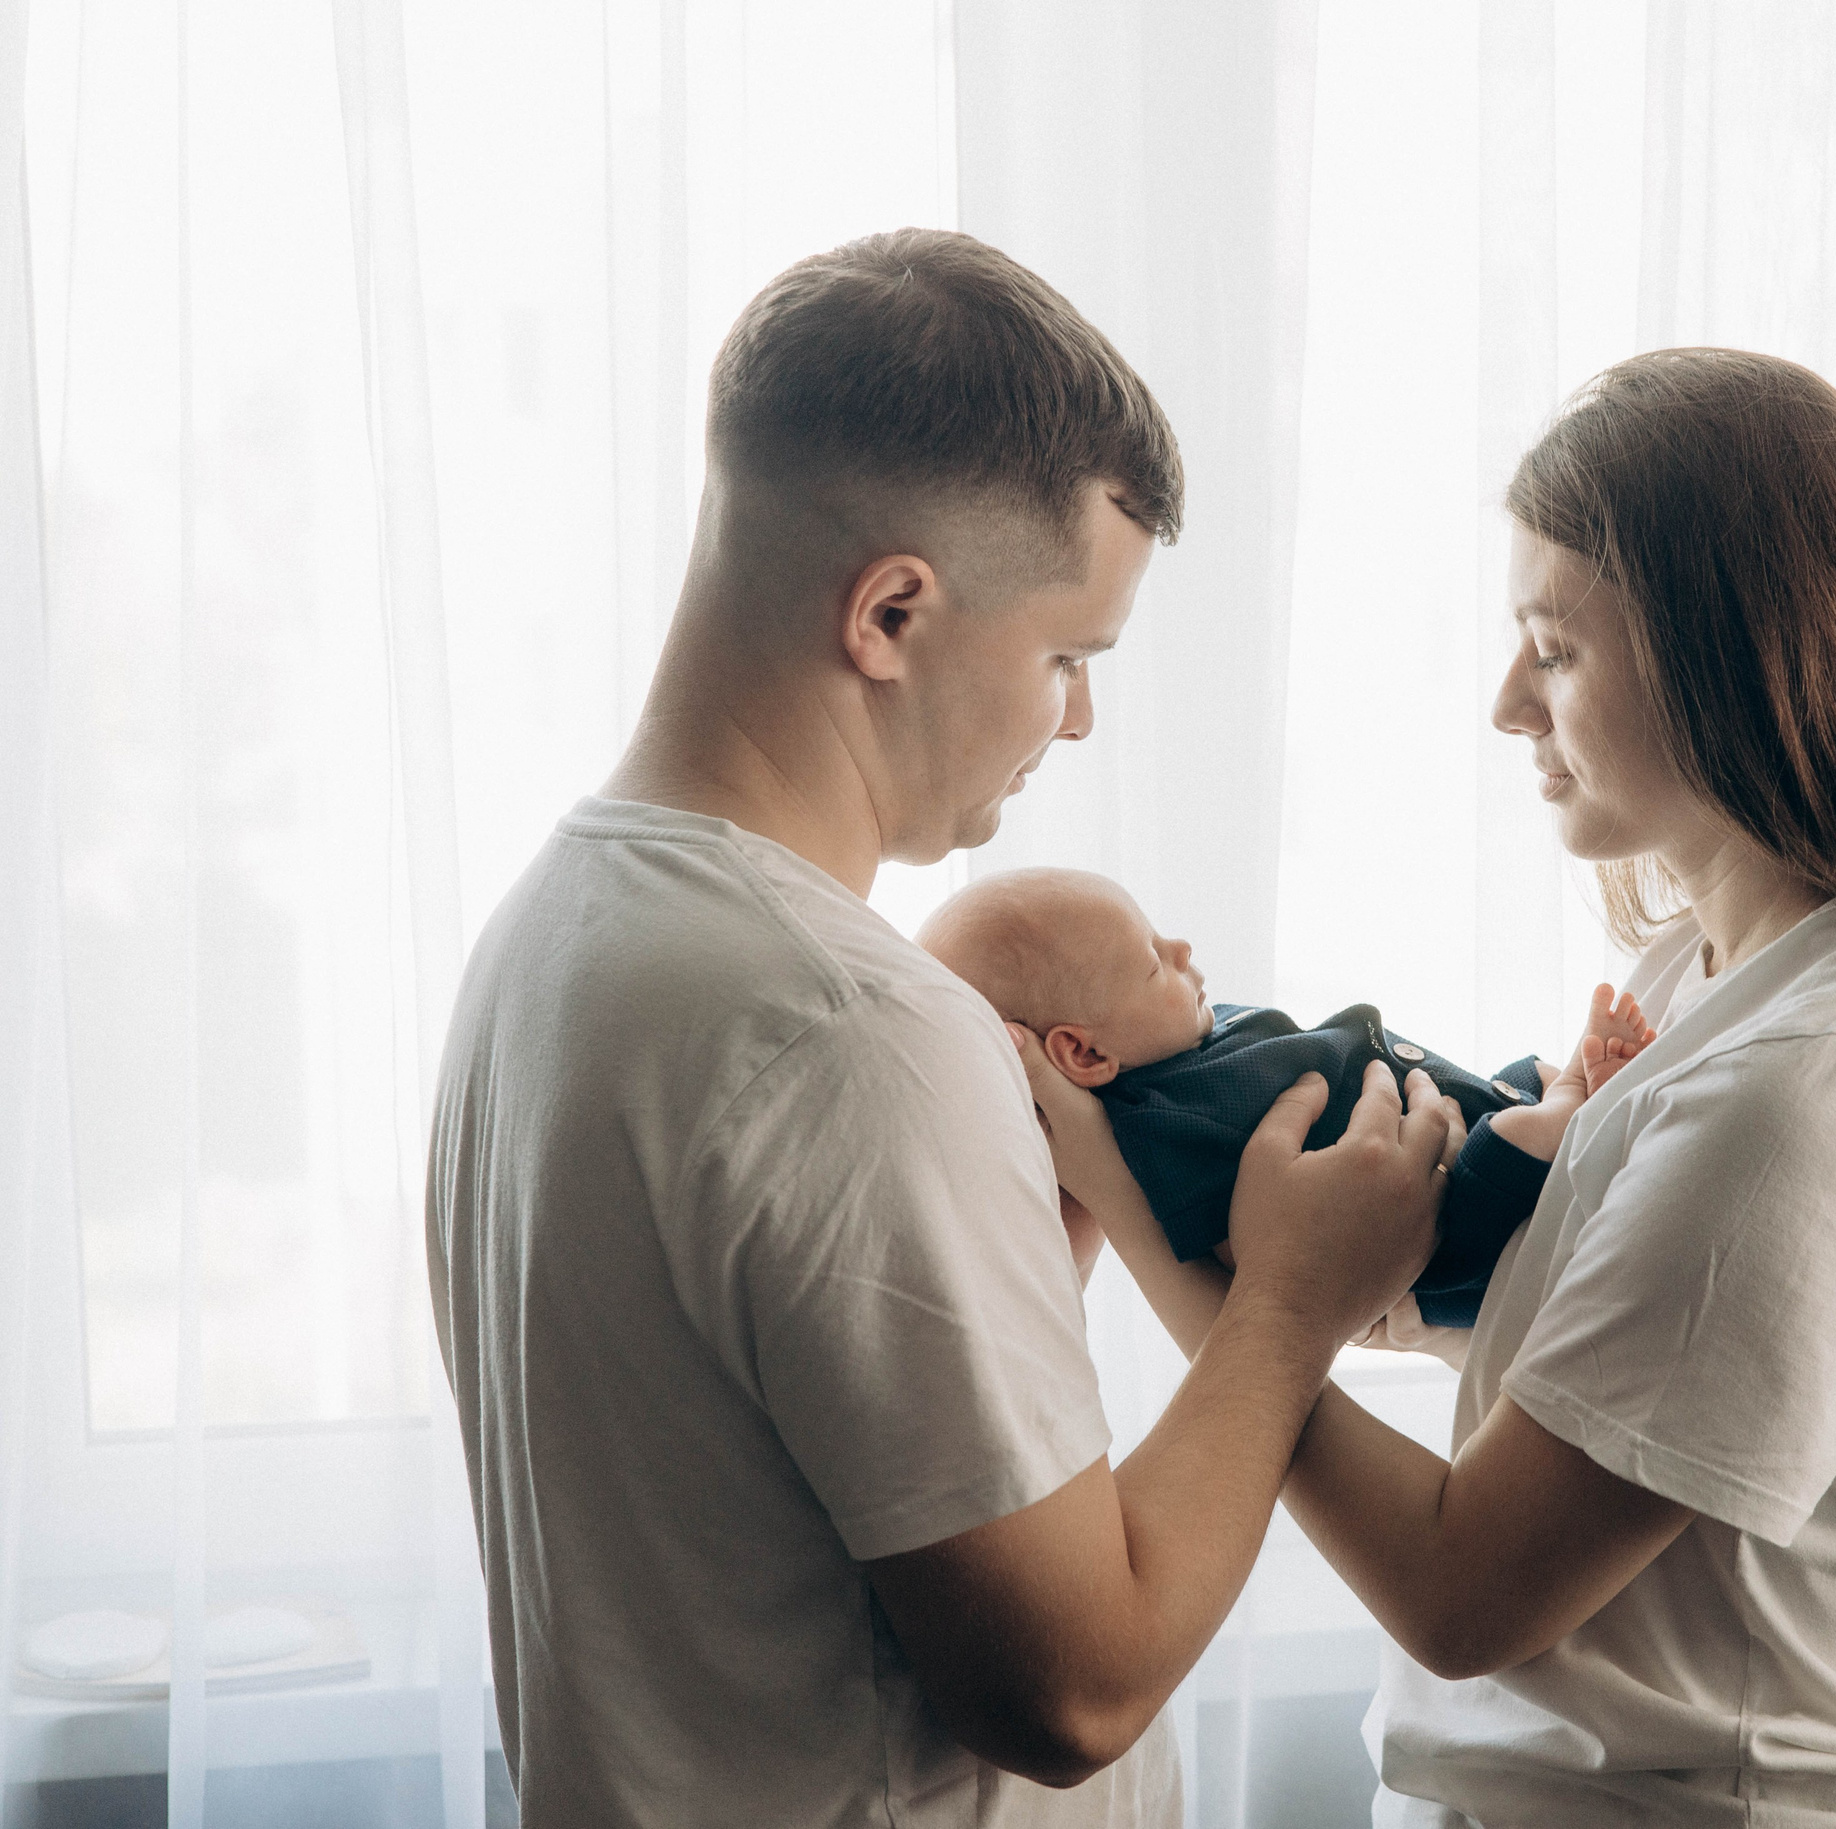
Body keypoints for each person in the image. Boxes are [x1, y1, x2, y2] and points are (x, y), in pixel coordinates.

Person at [425, 229, 1464, 1828]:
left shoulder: (556, 931)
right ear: (893, 614)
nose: (1082, 717)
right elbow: (1072, 1687)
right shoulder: (847, 1030)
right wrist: (1291, 1307)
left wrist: (1050, 1206)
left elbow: (806, 1454)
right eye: (1066, 656)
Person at [1024, 348, 1836, 1826]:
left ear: (1736, 655)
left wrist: (1228, 1285)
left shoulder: (1818, 1106)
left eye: (1556, 645)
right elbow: (1601, 1361)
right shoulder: (1699, 985)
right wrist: (1372, 1260)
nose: (1507, 704)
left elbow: (1466, 1595)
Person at [917, 866, 1655, 1326]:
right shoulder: (1159, 1130)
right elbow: (1236, 1244)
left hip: (1452, 1112)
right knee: (1521, 1132)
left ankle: (1565, 1093)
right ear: (1082, 1052)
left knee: (1516, 1089)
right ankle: (1570, 1107)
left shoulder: (1184, 1042)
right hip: (1450, 1226)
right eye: (1151, 964)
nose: (1181, 951)